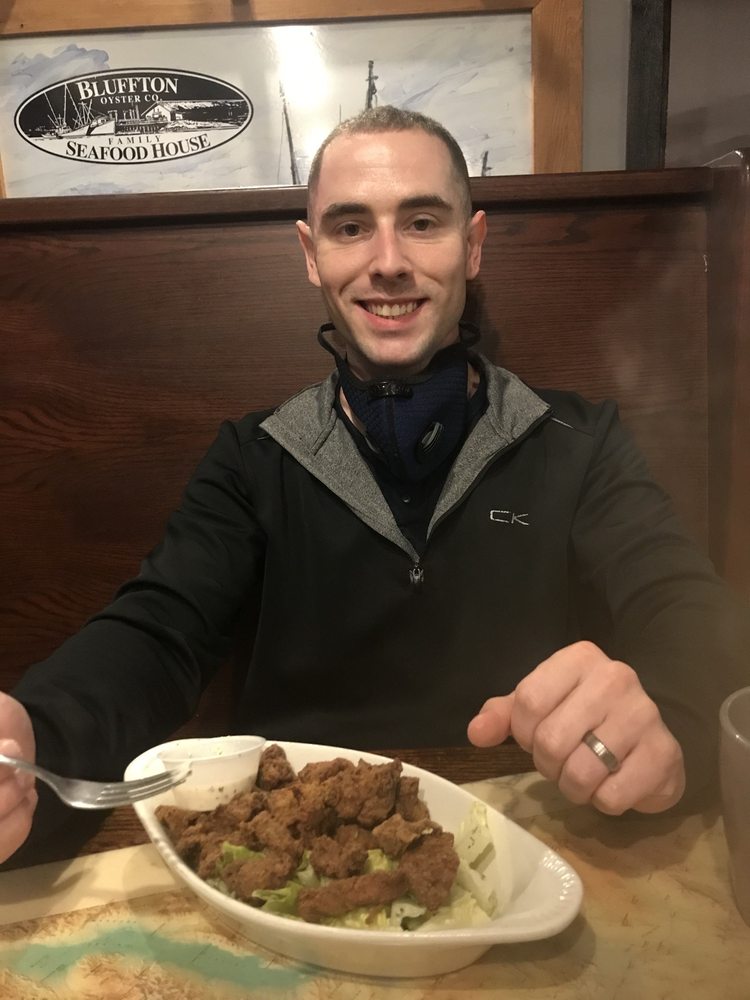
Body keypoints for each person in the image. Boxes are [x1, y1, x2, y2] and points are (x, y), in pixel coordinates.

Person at [1, 106, 747, 869]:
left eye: (422, 222)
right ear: (312, 254)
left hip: (530, 858)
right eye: (351, 227)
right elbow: (157, 635)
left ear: (473, 244)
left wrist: (677, 731)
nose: (387, 261)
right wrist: (35, 739)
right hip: (295, 865)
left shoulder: (580, 443)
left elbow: (688, 611)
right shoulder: (253, 458)